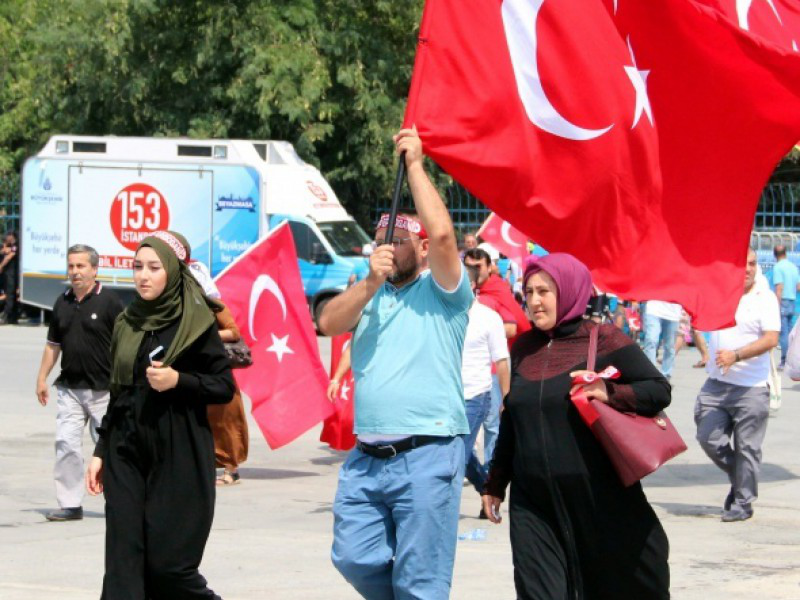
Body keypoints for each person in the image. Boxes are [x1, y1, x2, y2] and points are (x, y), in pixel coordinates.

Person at [319, 127, 472, 599]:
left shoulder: (444, 293)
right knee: (352, 556)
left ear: (422, 250)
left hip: (428, 452)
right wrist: (368, 283)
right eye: (384, 238)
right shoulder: (369, 292)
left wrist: (414, 167)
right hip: (367, 459)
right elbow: (327, 322)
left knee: (420, 579)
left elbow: (445, 234)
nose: (391, 245)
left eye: (402, 239)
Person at [482, 253, 671, 600]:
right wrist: (495, 482)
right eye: (529, 292)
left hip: (598, 499)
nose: (535, 302)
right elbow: (513, 417)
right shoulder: (524, 347)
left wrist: (608, 390)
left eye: (544, 291)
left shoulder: (603, 339)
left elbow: (658, 389)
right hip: (532, 503)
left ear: (569, 291)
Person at [85, 231, 235, 598]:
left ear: (172, 271)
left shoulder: (196, 323)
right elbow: (118, 392)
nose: (143, 276)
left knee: (169, 566)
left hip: (178, 449)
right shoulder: (127, 322)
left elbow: (223, 386)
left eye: (154, 267)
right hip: (125, 448)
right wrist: (101, 450)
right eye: (138, 267)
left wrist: (178, 380)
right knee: (123, 560)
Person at [35, 244, 124, 521]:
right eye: (71, 266)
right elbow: (53, 345)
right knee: (66, 444)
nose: (75, 272)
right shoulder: (62, 302)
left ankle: (119, 502)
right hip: (70, 390)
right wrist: (42, 378)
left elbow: (124, 345)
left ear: (95, 269)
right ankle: (70, 504)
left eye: (81, 266)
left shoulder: (110, 302)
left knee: (109, 446)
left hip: (104, 391)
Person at [695, 247, 779, 522]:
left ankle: (743, 503)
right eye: (743, 264)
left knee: (748, 448)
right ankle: (741, 479)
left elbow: (771, 339)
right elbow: (697, 318)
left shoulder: (764, 298)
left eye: (753, 264)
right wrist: (705, 351)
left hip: (751, 387)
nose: (748, 269)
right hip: (717, 384)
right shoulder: (719, 293)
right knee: (708, 438)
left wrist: (737, 354)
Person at [169, 231, 248, 487]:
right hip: (188, 372)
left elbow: (234, 331)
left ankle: (231, 467)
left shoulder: (215, 306)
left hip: (215, 369)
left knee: (225, 419)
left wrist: (205, 335)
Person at [463, 246, 531, 467]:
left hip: (491, 366)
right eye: (469, 266)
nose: (474, 270)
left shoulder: (497, 290)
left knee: (491, 423)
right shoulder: (462, 290)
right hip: (465, 369)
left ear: (490, 267)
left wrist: (485, 329)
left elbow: (513, 327)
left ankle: (490, 470)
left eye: (478, 266)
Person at [461, 264, 510, 515]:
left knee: (458, 453)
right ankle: (487, 489)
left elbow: (502, 360)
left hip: (475, 396)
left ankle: (442, 507)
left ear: (471, 286)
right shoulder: (444, 315)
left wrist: (506, 397)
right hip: (445, 396)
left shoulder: (488, 318)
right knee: (458, 452)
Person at [771, 244, 799, 368]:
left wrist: (776, 305)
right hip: (792, 301)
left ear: (775, 255)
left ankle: (784, 360)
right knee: (792, 332)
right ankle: (793, 359)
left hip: (783, 301)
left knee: (783, 333)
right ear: (786, 253)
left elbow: (779, 288)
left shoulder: (778, 267)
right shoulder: (793, 267)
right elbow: (798, 286)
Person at [643, 300, 683, 379]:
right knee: (651, 340)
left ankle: (666, 374)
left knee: (670, 346)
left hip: (673, 312)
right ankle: (650, 373)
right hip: (653, 309)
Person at [0, 230, 19, 324]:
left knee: (10, 296)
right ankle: (13, 317)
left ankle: (6, 316)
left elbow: (9, 256)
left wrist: (1, 266)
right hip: (10, 273)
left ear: (12, 236)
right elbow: (5, 251)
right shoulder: (12, 246)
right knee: (12, 295)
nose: (6, 238)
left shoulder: (16, 244)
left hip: (11, 274)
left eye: (8, 236)